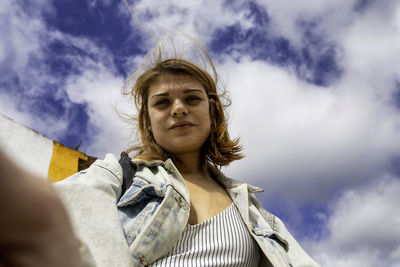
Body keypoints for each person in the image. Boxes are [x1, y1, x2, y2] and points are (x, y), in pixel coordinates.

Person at [53, 43, 320, 267]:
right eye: (162, 102)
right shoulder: (117, 176)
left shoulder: (254, 213)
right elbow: (49, 209)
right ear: (148, 120)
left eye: (192, 99)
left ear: (212, 112)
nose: (179, 109)